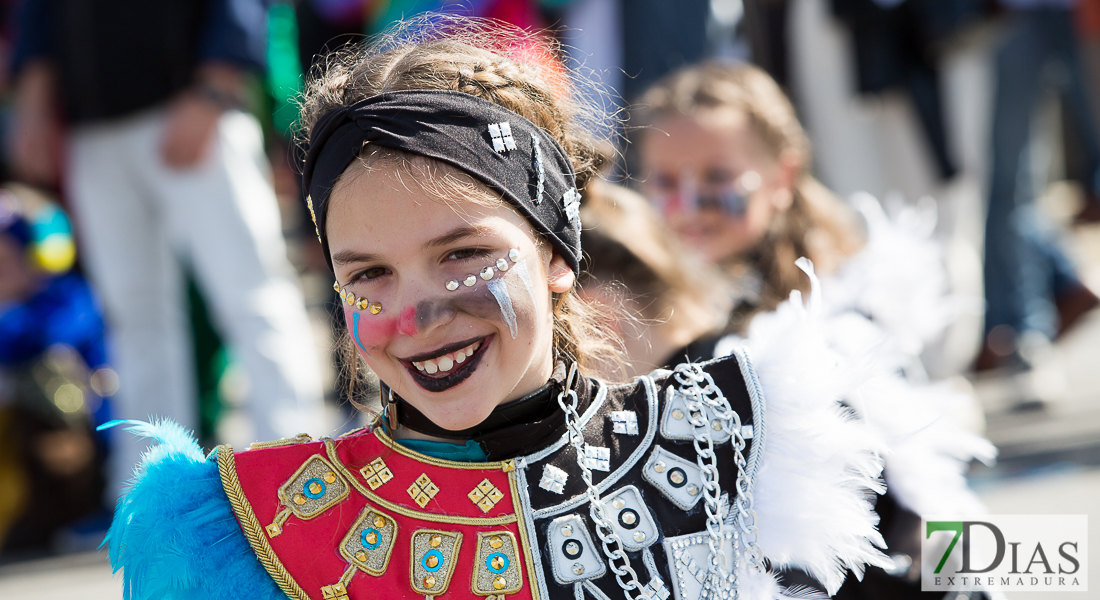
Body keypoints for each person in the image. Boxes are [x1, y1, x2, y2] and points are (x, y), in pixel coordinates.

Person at [102, 16, 891, 600]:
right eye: (369, 274)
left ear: (555, 253)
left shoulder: (745, 435)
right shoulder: (245, 533)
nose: (415, 316)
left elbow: (941, 566)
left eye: (461, 257)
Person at [633, 61, 995, 598]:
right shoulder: (653, 306)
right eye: (665, 181)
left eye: (717, 178)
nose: (689, 204)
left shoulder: (845, 316)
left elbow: (919, 495)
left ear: (781, 177)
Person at [9, 0, 326, 500]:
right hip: (91, 123)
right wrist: (32, 100)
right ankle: (150, 489)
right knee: (132, 316)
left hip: (193, 102)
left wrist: (215, 86)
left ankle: (294, 466)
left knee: (250, 292)